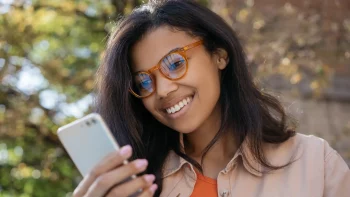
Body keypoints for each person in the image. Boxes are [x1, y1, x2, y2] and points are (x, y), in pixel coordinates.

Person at [72, 0, 350, 196]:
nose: (163, 89)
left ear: (219, 55)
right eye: (143, 81)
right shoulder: (139, 186)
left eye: (174, 63)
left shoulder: (314, 162)